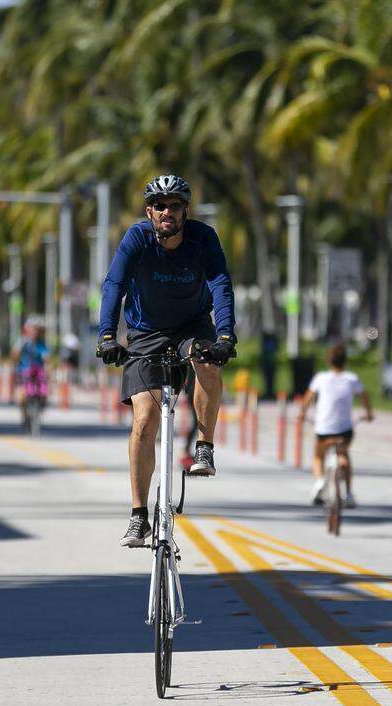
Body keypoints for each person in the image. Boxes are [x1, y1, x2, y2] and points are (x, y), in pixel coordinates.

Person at [95, 174, 237, 548]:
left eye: (175, 206)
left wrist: (224, 335)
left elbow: (220, 284)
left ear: (185, 211)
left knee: (208, 361)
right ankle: (139, 515)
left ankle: (204, 445)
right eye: (160, 206)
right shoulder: (137, 239)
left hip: (193, 324)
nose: (167, 212)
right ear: (149, 212)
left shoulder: (203, 239)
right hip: (145, 332)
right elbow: (114, 285)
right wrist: (107, 335)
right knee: (145, 418)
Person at [299, 344, 373, 508]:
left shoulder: (321, 378)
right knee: (344, 455)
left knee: (318, 455)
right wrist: (368, 414)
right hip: (344, 430)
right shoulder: (352, 378)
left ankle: (319, 482)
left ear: (329, 361)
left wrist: (302, 413)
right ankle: (348, 493)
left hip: (323, 429)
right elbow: (364, 397)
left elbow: (308, 398)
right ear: (345, 361)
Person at [13, 316, 50, 423]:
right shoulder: (23, 341)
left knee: (44, 392)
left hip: (38, 371)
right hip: (24, 370)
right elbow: (14, 355)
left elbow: (46, 358)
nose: (35, 332)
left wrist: (48, 372)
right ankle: (24, 414)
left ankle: (40, 408)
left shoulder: (41, 344)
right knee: (22, 396)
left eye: (37, 330)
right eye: (33, 329)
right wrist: (19, 350)